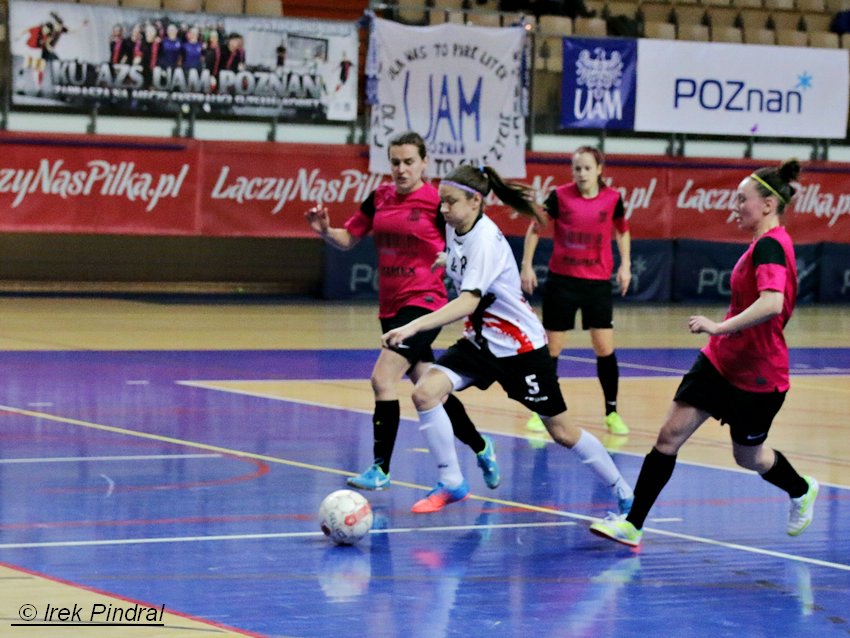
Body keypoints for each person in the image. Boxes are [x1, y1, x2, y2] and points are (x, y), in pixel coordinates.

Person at [589, 158, 819, 548]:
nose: (736, 207)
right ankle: (633, 524)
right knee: (668, 436)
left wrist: (718, 326)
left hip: (759, 377)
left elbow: (772, 303)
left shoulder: (771, 247)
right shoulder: (759, 245)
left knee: (749, 458)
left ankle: (801, 489)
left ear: (767, 205)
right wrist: (720, 339)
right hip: (718, 363)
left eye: (742, 199)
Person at [382, 164, 634, 514]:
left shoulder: (485, 239)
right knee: (425, 392)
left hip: (520, 350)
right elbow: (465, 265)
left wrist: (413, 326)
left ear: (475, 201)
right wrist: (448, 259)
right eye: (441, 202)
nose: (443, 209)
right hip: (481, 342)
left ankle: (623, 490)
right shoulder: (457, 226)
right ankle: (452, 482)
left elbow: (468, 300)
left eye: (450, 202)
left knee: (562, 432)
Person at [304, 131, 500, 493]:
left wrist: (455, 263)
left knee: (382, 379)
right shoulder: (379, 197)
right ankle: (481, 446)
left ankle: (381, 468)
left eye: (409, 161)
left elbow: (467, 239)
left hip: (424, 302)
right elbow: (348, 239)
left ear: (424, 163)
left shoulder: (436, 202)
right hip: (390, 306)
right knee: (429, 388)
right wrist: (324, 231)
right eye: (395, 162)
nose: (400, 168)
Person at [520, 146, 632, 436]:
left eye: (586, 168)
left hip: (596, 284)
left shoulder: (612, 199)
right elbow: (535, 228)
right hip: (562, 283)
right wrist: (527, 265)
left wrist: (626, 265)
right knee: (552, 349)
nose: (581, 173)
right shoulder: (559, 196)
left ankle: (612, 412)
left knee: (604, 347)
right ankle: (541, 410)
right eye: (576, 168)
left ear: (599, 170)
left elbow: (622, 230)